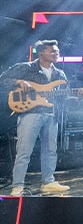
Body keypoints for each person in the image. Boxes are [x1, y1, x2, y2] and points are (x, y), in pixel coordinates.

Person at [0, 40, 73, 196]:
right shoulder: (25, 68)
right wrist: (19, 81)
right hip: (30, 113)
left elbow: (64, 97)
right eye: (52, 51)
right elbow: (2, 81)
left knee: (50, 150)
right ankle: (18, 186)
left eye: (57, 51)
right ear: (41, 53)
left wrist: (78, 96)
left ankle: (48, 182)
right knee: (24, 151)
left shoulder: (59, 74)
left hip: (51, 115)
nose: (57, 53)